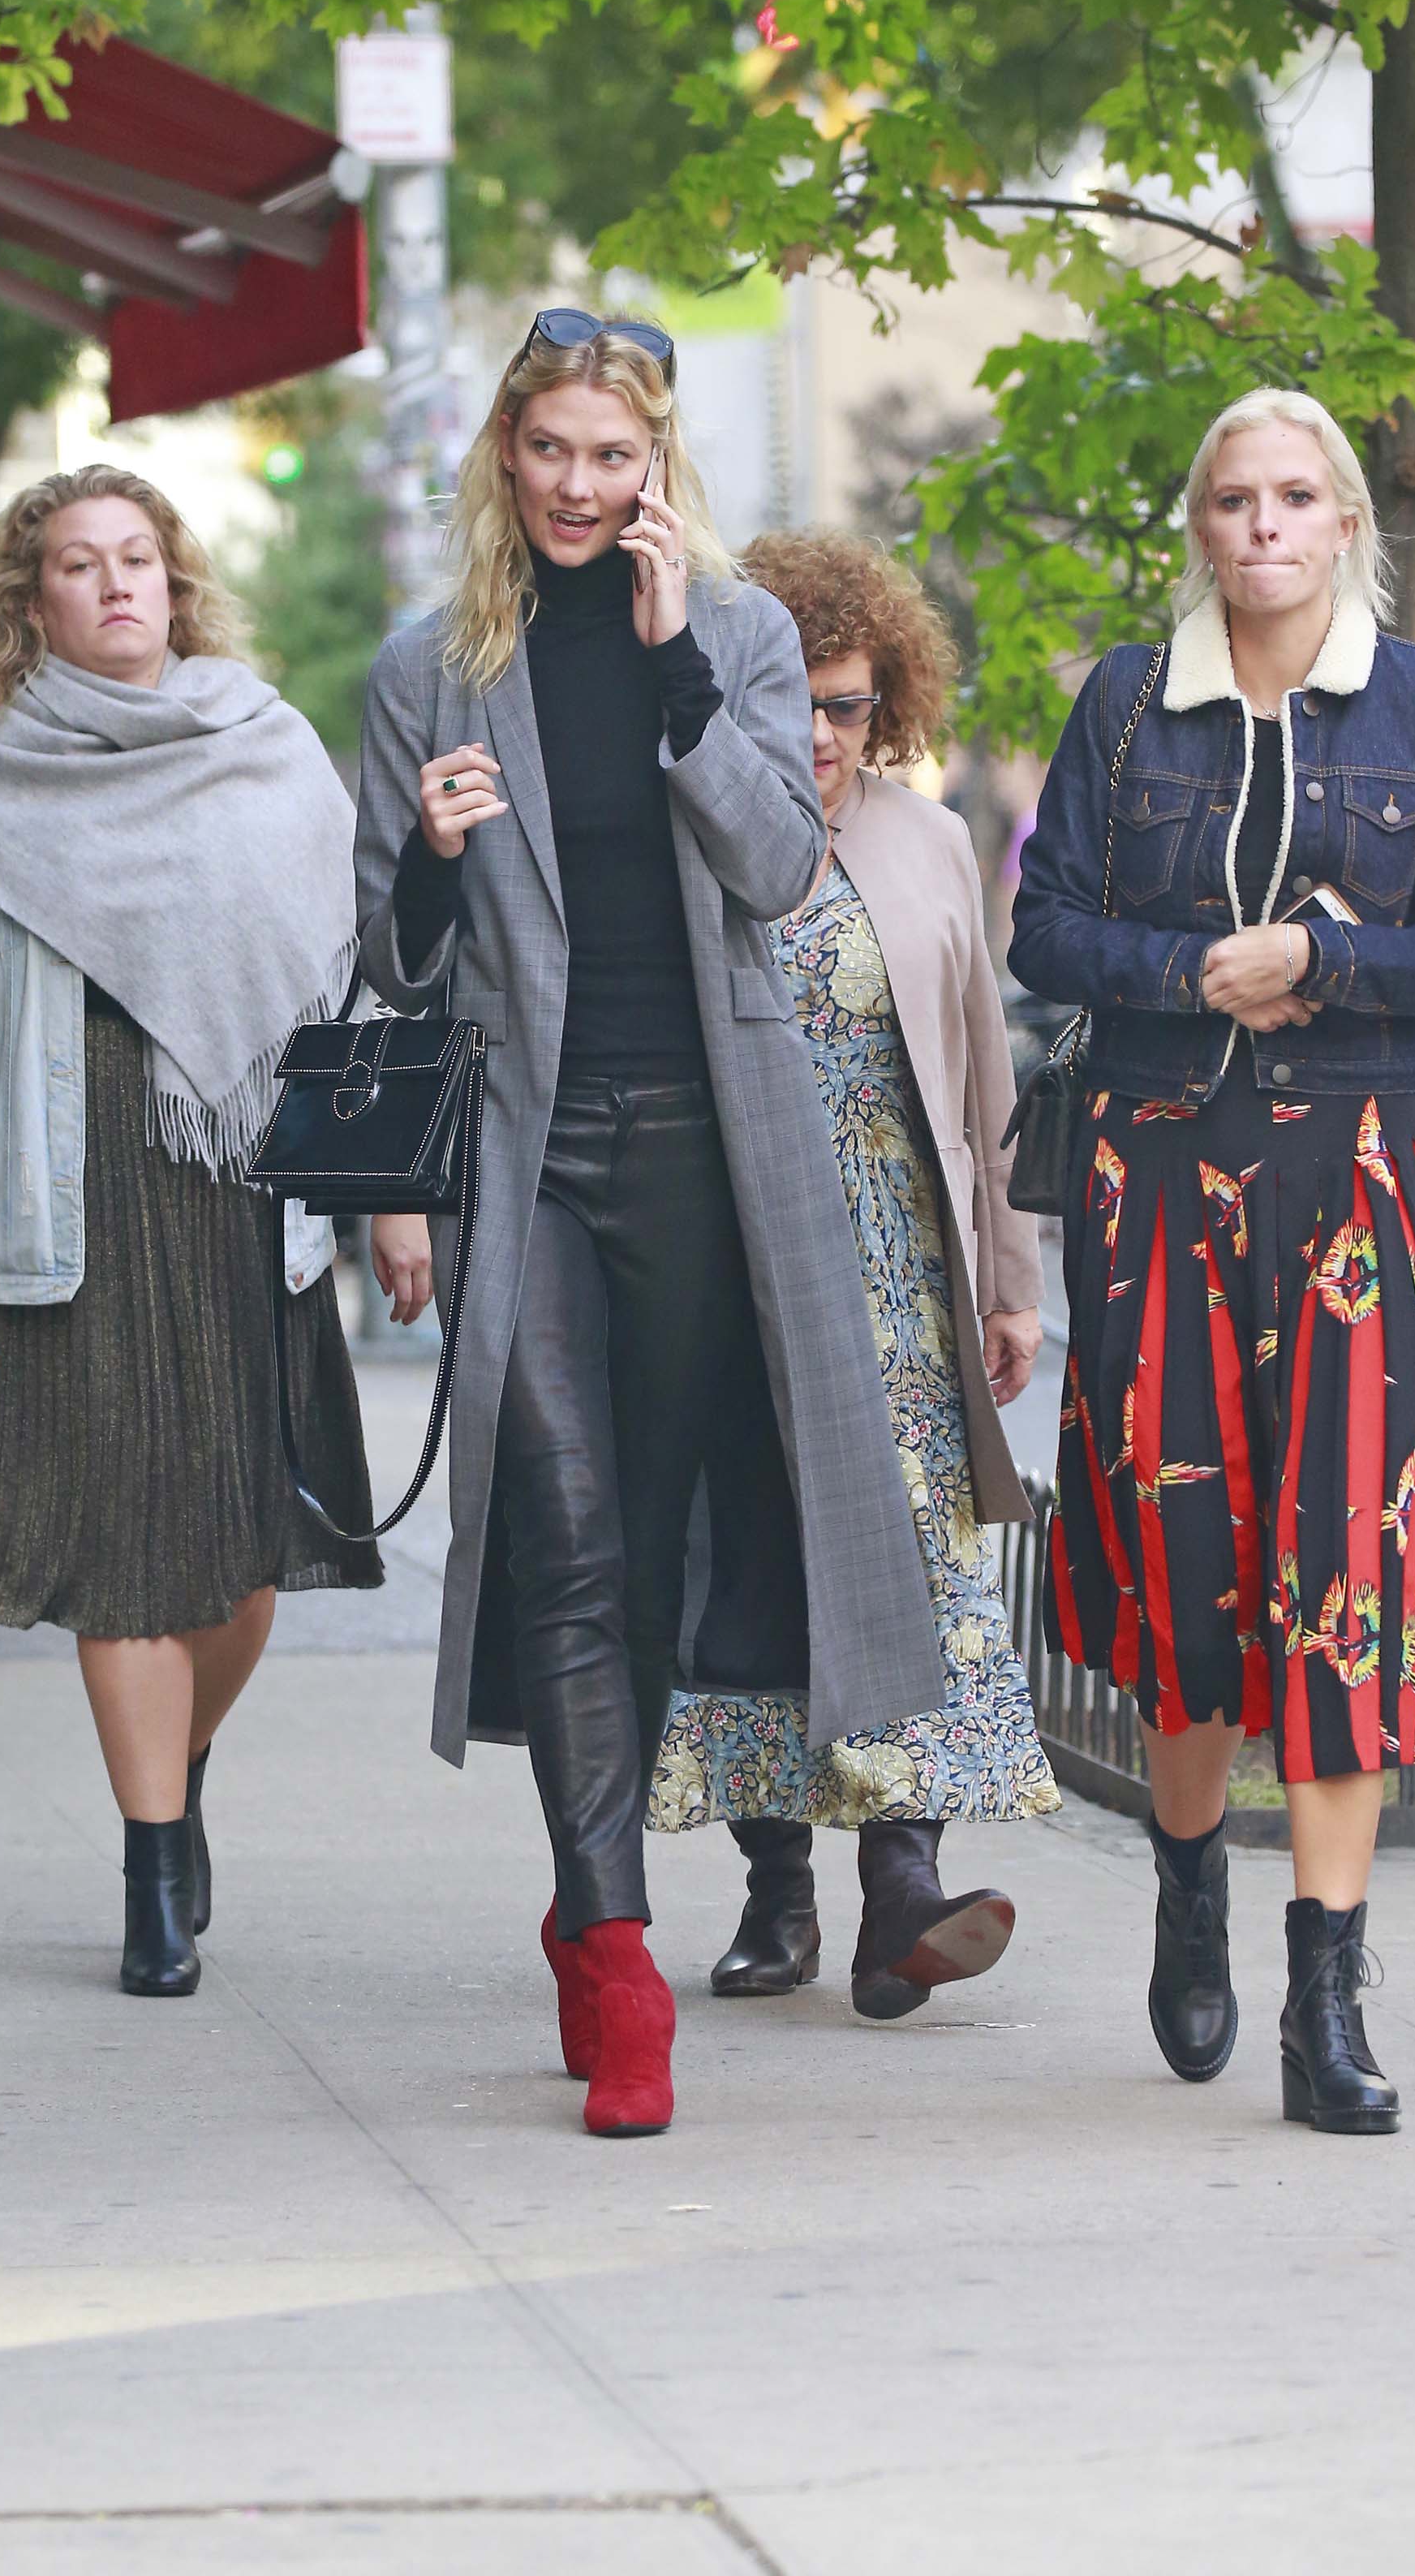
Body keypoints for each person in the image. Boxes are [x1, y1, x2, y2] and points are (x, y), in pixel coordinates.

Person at [353, 312, 944, 2139]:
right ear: (504, 456)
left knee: (657, 1550)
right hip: (525, 1150)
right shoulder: (430, 667)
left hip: (705, 1149)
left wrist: (679, 660)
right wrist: (430, 858)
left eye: (612, 457)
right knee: (570, 1540)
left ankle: (588, 1880)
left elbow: (776, 865)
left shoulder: (739, 638)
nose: (579, 486)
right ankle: (615, 1955)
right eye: (549, 451)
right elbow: (389, 967)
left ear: (655, 466)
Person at [1011, 388, 1415, 2137]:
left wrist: (1321, 958)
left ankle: (1326, 1997)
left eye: (1294, 497)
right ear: (1200, 527)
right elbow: (1042, 923)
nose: (1262, 526)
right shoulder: (1127, 702)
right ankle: (1186, 1875)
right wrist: (1190, 969)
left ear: (1345, 521)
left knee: (1347, 1568)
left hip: (1356, 1174)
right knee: (1183, 1570)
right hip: (1157, 1169)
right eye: (1233, 500)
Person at [0, 466, 384, 1998]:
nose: (114, 584)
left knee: (252, 1557)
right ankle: (154, 1867)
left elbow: (343, 991)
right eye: (79, 565)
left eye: (137, 557)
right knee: (124, 1549)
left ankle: (181, 1767)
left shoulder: (268, 749)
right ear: (31, 605)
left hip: (248, 1180)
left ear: (175, 578)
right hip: (68, 1181)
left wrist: (387, 1197)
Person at [647, 529, 1060, 2021]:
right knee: (755, 1561)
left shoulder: (927, 840)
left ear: (886, 706)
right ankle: (780, 1896)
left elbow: (982, 1079)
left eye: (846, 704)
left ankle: (902, 1886)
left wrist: (1009, 1280)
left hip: (898, 1275)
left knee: (921, 1568)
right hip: (736, 1266)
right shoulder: (689, 826)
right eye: (795, 701)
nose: (819, 733)